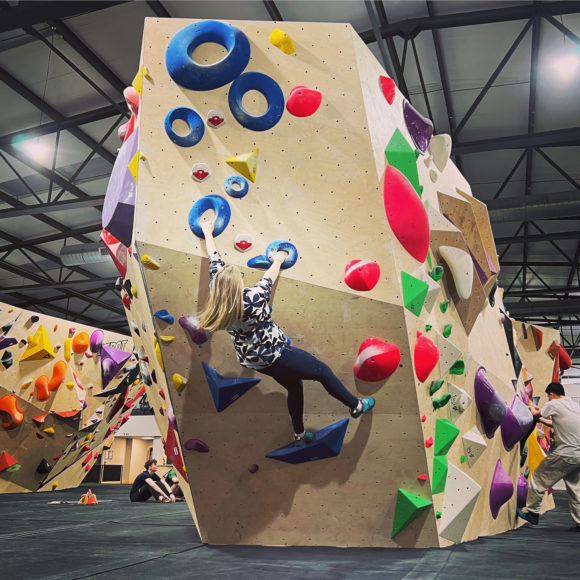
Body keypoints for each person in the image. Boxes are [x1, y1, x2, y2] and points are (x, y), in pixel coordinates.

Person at [197, 214, 375, 446]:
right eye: (240, 279)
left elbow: (215, 262)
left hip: (254, 360)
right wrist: (279, 259)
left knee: (294, 385)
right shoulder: (251, 299)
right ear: (236, 286)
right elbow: (267, 280)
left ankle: (299, 434)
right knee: (322, 371)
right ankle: (355, 405)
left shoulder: (218, 295)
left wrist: (208, 232)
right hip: (276, 354)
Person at [517, 382, 580, 531]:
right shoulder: (574, 405)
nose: (548, 399)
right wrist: (542, 420)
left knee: (539, 477)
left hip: (565, 453)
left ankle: (532, 512)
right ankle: (579, 522)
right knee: (575, 489)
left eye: (548, 396)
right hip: (578, 455)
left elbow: (534, 414)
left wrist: (527, 408)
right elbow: (557, 424)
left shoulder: (555, 403)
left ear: (551, 394)